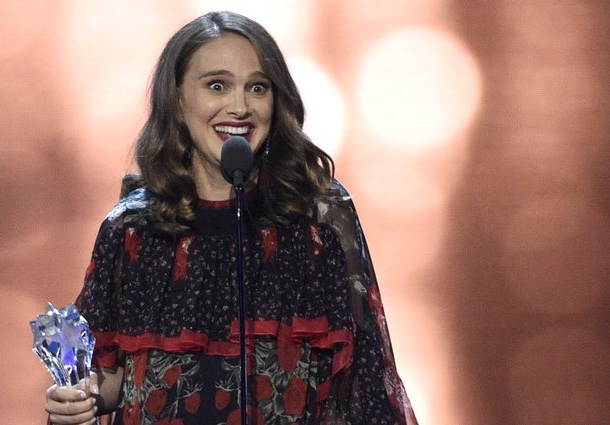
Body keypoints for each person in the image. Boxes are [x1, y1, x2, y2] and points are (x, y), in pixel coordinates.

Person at [44, 10, 417, 425]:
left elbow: (366, 376)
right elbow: (113, 375)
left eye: (257, 87)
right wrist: (79, 400)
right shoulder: (134, 229)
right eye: (217, 85)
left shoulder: (318, 221)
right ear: (178, 101)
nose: (239, 107)